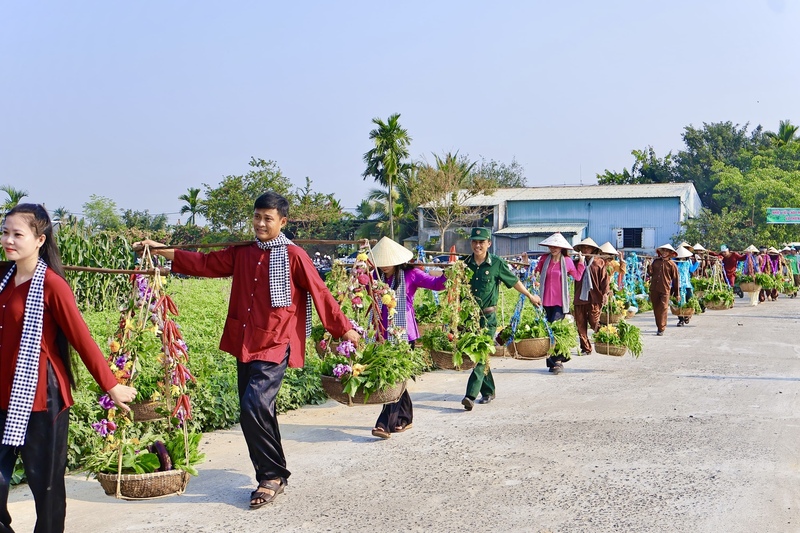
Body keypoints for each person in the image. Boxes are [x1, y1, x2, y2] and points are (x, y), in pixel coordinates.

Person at [139, 191, 360, 510]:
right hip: (245, 341)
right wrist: (162, 251)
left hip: (275, 342)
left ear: (282, 222)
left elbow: (320, 291)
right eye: (256, 217)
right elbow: (204, 264)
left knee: (253, 406)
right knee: (257, 410)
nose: (260, 223)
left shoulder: (294, 255)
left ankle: (270, 477)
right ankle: (275, 471)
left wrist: (344, 328)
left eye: (267, 218)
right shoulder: (242, 253)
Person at [0, 204, 137, 533]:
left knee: (46, 488)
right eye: (5, 232)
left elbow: (81, 337)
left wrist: (111, 385)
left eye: (17, 234)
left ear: (39, 240)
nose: (8, 240)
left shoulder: (52, 285)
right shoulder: (2, 278)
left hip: (42, 399)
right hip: (2, 395)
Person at [368, 237, 446, 439]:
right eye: (380, 261)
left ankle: (384, 424)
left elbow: (436, 284)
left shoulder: (411, 274)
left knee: (393, 377)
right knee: (396, 378)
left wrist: (449, 274)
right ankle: (405, 417)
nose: (384, 266)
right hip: (382, 334)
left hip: (405, 334)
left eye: (387, 261)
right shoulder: (377, 277)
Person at [461, 228, 540, 409]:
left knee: (481, 353)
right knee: (479, 354)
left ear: (489, 243)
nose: (477, 245)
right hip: (470, 318)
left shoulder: (496, 263)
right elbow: (449, 281)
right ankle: (488, 391)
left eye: (482, 242)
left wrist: (530, 296)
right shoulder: (464, 263)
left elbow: (514, 282)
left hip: (488, 318)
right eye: (474, 241)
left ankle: (470, 395)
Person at [534, 232, 585, 374]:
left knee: (556, 330)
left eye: (556, 246)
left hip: (560, 301)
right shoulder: (544, 259)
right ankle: (551, 362)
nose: (553, 248)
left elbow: (577, 276)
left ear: (561, 248)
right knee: (547, 330)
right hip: (544, 300)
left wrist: (581, 263)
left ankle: (558, 361)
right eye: (551, 246)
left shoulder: (567, 261)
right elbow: (537, 272)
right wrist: (534, 274)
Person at [572, 238, 609, 355]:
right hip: (580, 298)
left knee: (594, 322)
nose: (585, 249)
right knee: (580, 324)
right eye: (583, 248)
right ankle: (586, 348)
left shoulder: (599, 263)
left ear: (593, 249)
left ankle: (606, 337)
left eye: (588, 247)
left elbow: (604, 280)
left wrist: (605, 294)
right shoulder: (576, 262)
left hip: (594, 298)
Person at [648, 244, 680, 336]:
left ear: (670, 253)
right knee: (656, 309)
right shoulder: (656, 262)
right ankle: (659, 326)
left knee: (663, 308)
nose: (664, 253)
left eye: (666, 251)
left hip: (665, 289)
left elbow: (676, 280)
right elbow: (650, 274)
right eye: (663, 251)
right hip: (654, 288)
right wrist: (649, 266)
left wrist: (677, 294)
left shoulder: (672, 265)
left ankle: (661, 328)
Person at [672, 246, 700, 326]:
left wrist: (697, 262)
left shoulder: (688, 261)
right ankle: (681, 319)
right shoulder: (675, 262)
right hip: (678, 285)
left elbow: (691, 270)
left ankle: (687, 315)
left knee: (689, 300)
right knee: (679, 302)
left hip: (687, 284)